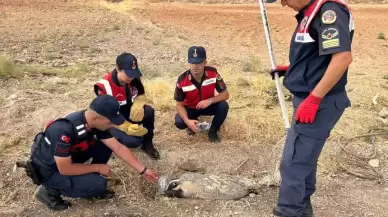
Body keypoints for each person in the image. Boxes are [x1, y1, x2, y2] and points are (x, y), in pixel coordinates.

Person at [265, 0, 354, 216]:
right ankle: (302, 205)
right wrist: (294, 70)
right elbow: (316, 55)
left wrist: (314, 98)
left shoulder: (329, 12)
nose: (283, 4)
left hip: (319, 104)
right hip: (310, 100)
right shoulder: (311, 12)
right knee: (304, 157)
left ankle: (289, 210)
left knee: (293, 163)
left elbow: (342, 58)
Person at [25, 95, 159, 211]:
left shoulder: (93, 122)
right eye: (110, 122)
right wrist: (97, 167)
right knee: (99, 184)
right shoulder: (63, 130)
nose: (113, 125)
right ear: (95, 118)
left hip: (66, 159)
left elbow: (117, 147)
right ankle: (49, 191)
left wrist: (143, 170)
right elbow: (65, 168)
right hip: (50, 170)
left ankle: (87, 180)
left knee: (105, 145)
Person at [94, 53, 160, 160]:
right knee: (134, 142)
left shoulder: (133, 78)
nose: (132, 77)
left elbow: (140, 94)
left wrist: (139, 104)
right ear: (118, 68)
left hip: (128, 113)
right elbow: (105, 116)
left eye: (133, 73)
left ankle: (148, 145)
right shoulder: (103, 87)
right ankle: (109, 143)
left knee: (149, 111)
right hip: (112, 120)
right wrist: (126, 127)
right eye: (128, 73)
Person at [174, 46, 229, 143]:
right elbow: (179, 105)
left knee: (223, 106)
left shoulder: (213, 73)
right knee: (180, 122)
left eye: (198, 62)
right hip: (190, 108)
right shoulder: (182, 80)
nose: (195, 66)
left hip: (208, 105)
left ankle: (212, 132)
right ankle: (192, 123)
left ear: (205, 63)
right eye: (192, 62)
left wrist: (209, 101)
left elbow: (225, 94)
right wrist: (187, 121)